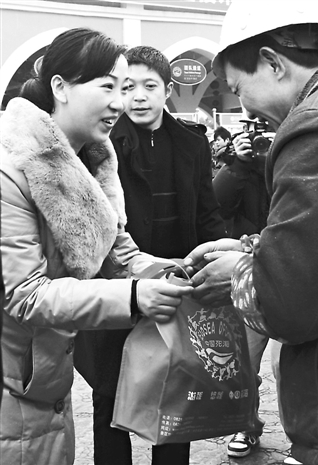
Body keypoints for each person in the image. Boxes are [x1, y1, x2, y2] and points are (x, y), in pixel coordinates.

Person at [184, 1, 318, 464]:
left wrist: (240, 273)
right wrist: (258, 248)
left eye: (239, 88)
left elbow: (287, 309)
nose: (244, 106)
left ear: (272, 63)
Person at [0, 28, 192, 465]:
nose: (120, 103)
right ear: (60, 87)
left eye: (124, 89)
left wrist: (182, 270)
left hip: (46, 377)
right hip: (12, 378)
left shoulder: (93, 160)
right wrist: (134, 296)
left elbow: (120, 255)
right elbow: (25, 295)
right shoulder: (11, 170)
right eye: (108, 87)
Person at [73, 45, 227, 465]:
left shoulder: (193, 143)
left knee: (176, 387)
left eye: (149, 86)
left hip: (177, 286)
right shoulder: (100, 144)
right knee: (108, 391)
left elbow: (207, 212)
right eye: (127, 87)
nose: (138, 96)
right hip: (117, 283)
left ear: (168, 90)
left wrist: (217, 258)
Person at [212, 124, 270, 457]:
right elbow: (218, 204)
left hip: (296, 265)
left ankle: (306, 439)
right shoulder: (240, 167)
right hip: (251, 271)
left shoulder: (302, 151)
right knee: (245, 361)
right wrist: (238, 164)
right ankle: (246, 425)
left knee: (296, 363)